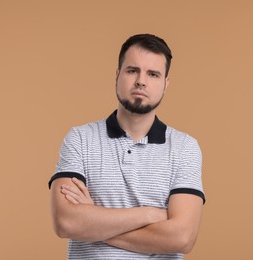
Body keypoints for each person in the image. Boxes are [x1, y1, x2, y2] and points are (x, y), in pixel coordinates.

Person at [48, 33, 205, 259]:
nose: (141, 81)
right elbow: (65, 222)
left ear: (165, 84)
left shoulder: (184, 148)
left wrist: (94, 222)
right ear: (117, 75)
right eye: (132, 70)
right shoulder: (80, 139)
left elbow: (182, 237)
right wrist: (152, 214)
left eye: (153, 74)